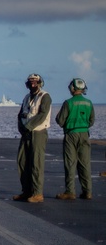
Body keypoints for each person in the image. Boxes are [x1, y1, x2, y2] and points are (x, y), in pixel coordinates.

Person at [55, 78, 95, 200]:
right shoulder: (89, 103)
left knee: (70, 164)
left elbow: (60, 120)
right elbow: (91, 121)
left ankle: (70, 191)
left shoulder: (68, 103)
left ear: (72, 88)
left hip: (71, 135)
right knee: (85, 164)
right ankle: (87, 191)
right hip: (84, 134)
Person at [15, 73, 52, 203]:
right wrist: (21, 128)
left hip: (38, 132)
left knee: (36, 163)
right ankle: (26, 191)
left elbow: (42, 114)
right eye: (30, 82)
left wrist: (29, 126)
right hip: (26, 133)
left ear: (40, 83)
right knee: (22, 161)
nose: (32, 84)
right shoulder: (26, 97)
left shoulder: (45, 97)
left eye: (35, 82)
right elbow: (20, 114)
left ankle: (37, 193)